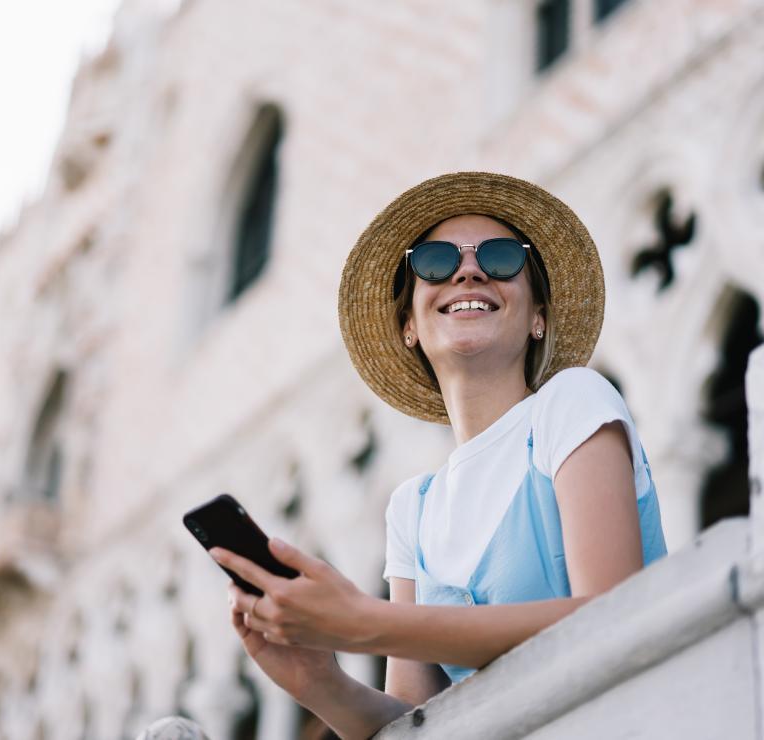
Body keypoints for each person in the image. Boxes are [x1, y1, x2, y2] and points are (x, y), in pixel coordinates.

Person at [208, 172, 668, 738]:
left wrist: (365, 622)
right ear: (409, 325)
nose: (468, 270)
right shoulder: (413, 510)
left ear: (537, 316)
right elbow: (413, 724)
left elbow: (612, 613)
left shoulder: (571, 403)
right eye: (433, 261)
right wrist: (317, 682)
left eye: (501, 258)